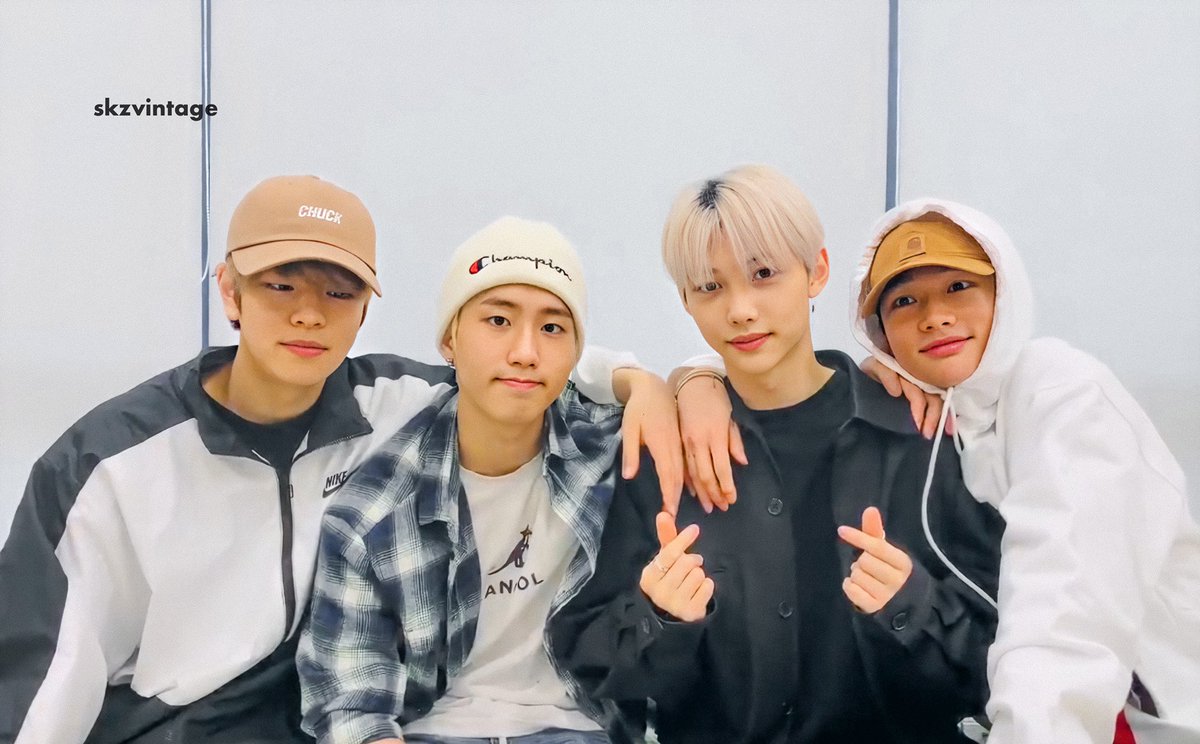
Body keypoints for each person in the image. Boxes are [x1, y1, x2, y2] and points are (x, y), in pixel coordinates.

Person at [0, 177, 680, 744]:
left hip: (313, 722)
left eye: (338, 292)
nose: (309, 315)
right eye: (280, 286)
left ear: (363, 311)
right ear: (230, 291)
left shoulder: (395, 401)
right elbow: (38, 682)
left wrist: (650, 382)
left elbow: (517, 371)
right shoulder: (110, 464)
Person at [551, 165, 1003, 743]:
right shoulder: (664, 452)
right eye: (710, 287)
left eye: (763, 274)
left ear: (817, 271)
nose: (740, 309)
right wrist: (659, 619)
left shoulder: (920, 434)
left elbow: (1002, 660)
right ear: (686, 300)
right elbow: (590, 664)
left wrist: (914, 605)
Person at [852, 198, 1200, 744]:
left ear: (1004, 292)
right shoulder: (935, 420)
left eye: (959, 286)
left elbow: (1066, 612)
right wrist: (704, 379)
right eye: (904, 301)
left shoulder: (1063, 392)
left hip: (1140, 720)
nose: (934, 316)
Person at [298, 216, 653, 744]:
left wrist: (671, 384)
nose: (525, 352)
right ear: (450, 339)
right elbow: (349, 700)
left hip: (580, 728)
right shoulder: (374, 509)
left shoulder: (612, 452)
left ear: (576, 353)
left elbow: (725, 386)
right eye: (498, 320)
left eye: (552, 328)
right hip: (433, 731)